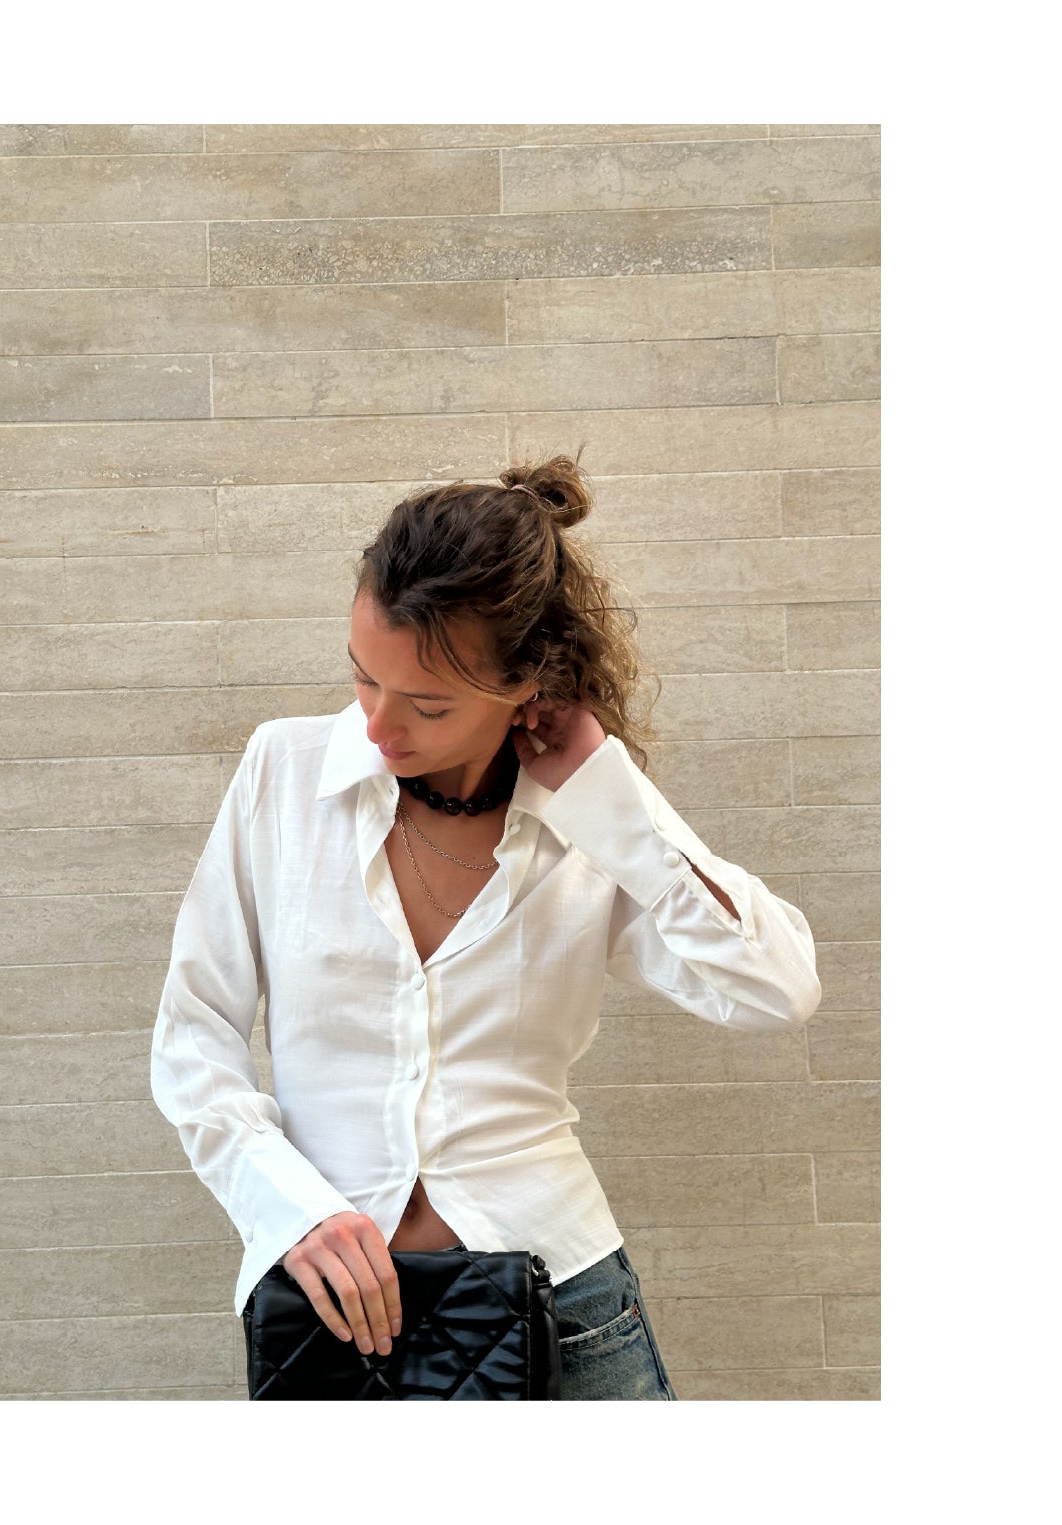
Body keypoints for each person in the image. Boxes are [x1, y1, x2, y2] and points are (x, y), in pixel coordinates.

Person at [150, 451, 823, 1400]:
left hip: (565, 1302)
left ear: (526, 686)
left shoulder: (590, 828)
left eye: (426, 704)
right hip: (331, 1312)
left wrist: (612, 800)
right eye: (363, 679)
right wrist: (289, 1209)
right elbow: (193, 1035)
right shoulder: (282, 775)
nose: (378, 726)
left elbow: (777, 990)